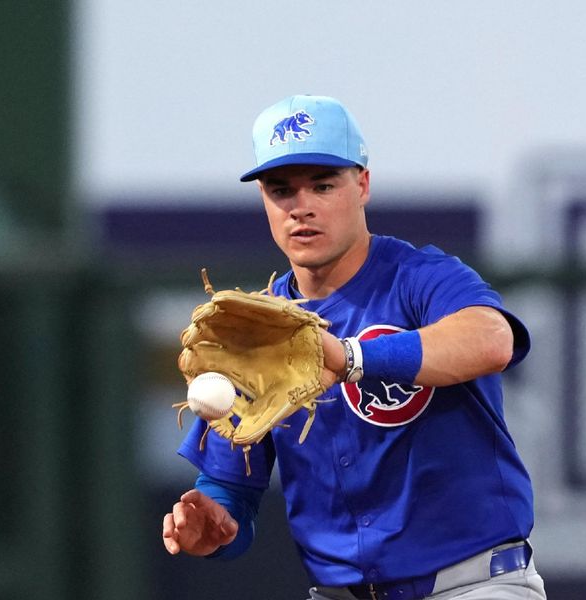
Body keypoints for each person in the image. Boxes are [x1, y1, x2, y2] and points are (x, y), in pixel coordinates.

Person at [162, 94, 547, 600]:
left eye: (323, 185)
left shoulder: (418, 278)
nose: (302, 206)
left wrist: (353, 359)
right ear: (264, 200)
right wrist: (213, 527)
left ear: (362, 184)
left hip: (473, 584)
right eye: (282, 190)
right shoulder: (250, 336)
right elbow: (232, 491)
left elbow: (492, 340)